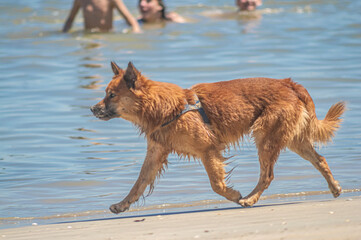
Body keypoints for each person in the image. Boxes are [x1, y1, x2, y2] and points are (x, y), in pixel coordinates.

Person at [62, 0, 141, 33]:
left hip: (106, 35)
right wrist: (64, 34)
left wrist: (136, 32)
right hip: (88, 36)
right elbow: (70, 20)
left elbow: (131, 20)